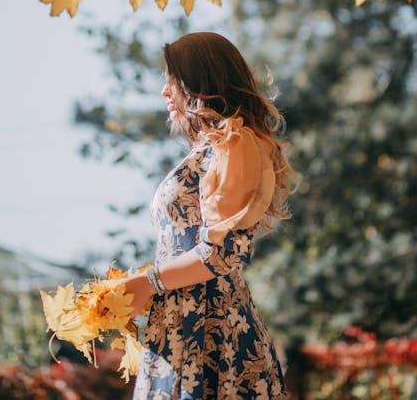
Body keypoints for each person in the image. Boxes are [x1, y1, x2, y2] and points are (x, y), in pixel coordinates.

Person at [122, 32, 294, 399]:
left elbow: (222, 254)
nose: (164, 92)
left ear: (201, 83)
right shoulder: (208, 150)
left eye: (173, 80)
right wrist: (134, 292)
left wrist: (146, 283)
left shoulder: (236, 142)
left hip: (213, 333)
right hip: (177, 330)